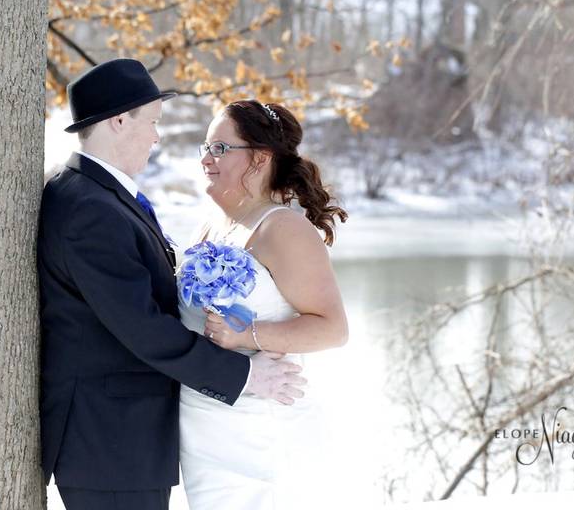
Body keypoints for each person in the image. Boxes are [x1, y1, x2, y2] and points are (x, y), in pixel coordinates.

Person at [37, 60, 308, 510]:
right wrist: (245, 376)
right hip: (108, 438)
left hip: (121, 438)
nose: (157, 136)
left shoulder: (98, 195)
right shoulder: (89, 207)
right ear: (119, 121)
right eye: (153, 123)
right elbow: (141, 326)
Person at [177, 99, 350, 510]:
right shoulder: (211, 224)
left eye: (219, 148)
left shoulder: (284, 228)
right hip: (202, 425)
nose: (205, 158)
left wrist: (247, 335)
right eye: (205, 147)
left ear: (259, 158)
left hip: (257, 433)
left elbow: (333, 328)